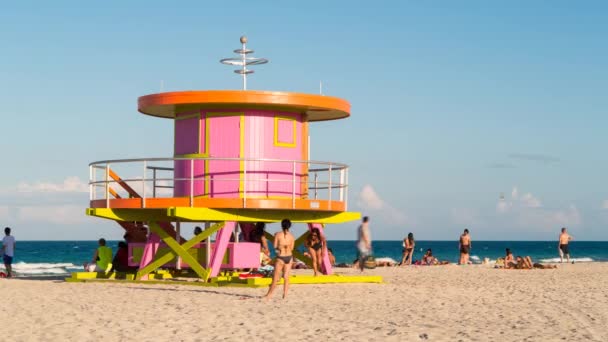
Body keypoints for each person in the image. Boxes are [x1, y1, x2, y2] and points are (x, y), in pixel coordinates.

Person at [263, 219, 295, 300]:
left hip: (281, 257)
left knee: (275, 278)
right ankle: (285, 295)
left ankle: (269, 295)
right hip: (289, 257)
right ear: (289, 226)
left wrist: (280, 246)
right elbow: (292, 248)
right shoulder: (292, 236)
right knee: (286, 277)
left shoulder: (278, 235)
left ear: (282, 225)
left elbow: (274, 246)